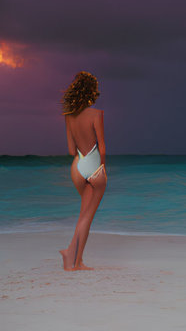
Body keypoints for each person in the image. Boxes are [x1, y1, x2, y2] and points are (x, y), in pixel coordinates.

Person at [58, 71, 107, 271]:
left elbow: (71, 150)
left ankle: (73, 256)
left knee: (83, 214)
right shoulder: (97, 114)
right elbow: (102, 147)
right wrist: (102, 167)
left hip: (77, 166)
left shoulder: (69, 116)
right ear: (91, 91)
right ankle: (74, 259)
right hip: (94, 165)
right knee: (87, 216)